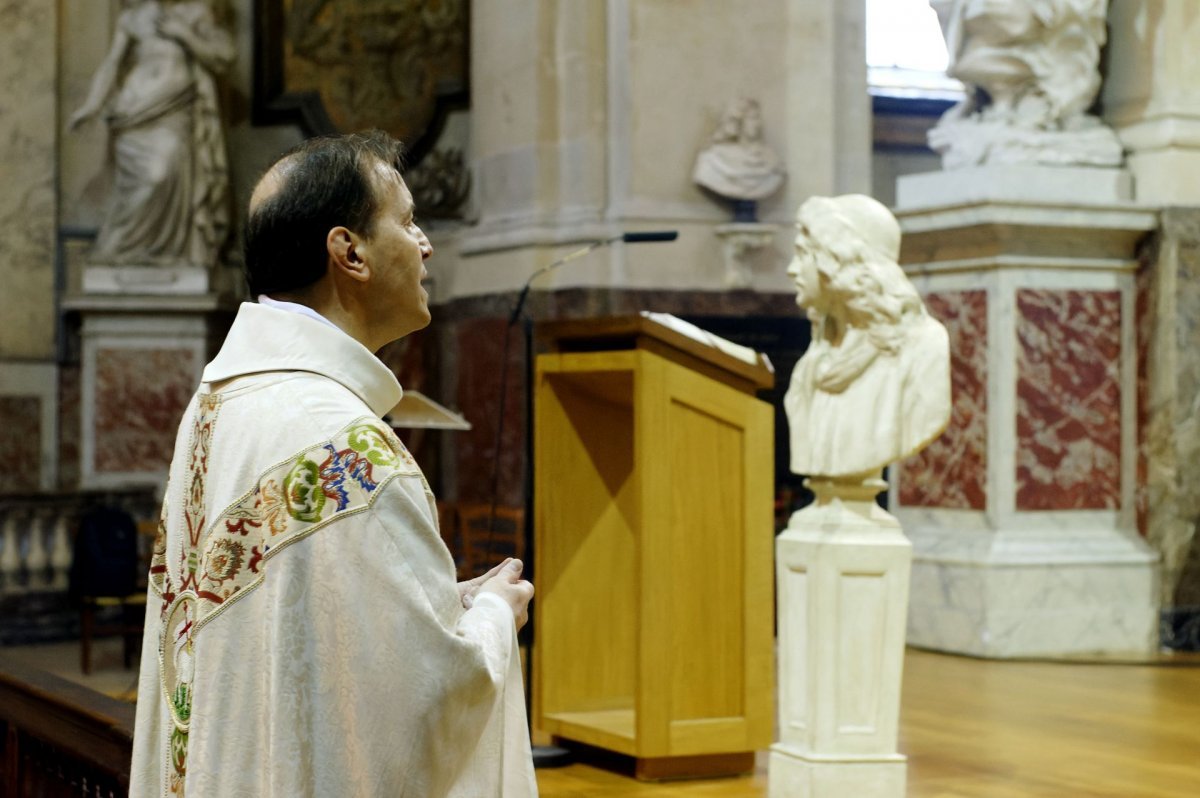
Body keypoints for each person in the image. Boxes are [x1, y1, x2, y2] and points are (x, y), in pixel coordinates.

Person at [129, 131, 538, 797]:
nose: (426, 244)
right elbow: (423, 703)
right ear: (349, 252)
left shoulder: (221, 403)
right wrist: (491, 614)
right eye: (406, 221)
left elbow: (298, 633)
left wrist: (442, 603)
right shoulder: (347, 449)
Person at [783, 194, 951, 479]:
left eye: (802, 255)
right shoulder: (813, 362)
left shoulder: (922, 348)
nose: (791, 269)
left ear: (836, 261)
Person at [70, 0, 233, 270]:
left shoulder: (197, 12)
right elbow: (111, 64)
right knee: (136, 188)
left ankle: (171, 250)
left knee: (161, 173)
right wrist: (92, 104)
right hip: (133, 114)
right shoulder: (131, 18)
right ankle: (124, 250)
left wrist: (186, 35)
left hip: (173, 114)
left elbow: (225, 56)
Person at [692, 98, 785, 219]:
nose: (758, 123)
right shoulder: (714, 156)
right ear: (738, 122)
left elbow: (777, 172)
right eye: (753, 118)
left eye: (758, 118)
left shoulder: (770, 158)